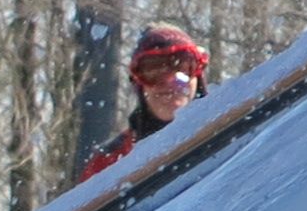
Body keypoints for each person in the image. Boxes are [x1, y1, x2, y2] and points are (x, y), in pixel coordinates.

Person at [76, 24, 209, 183]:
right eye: (154, 71)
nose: (170, 82)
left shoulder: (226, 132)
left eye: (183, 68)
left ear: (198, 78)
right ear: (139, 85)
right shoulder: (109, 163)